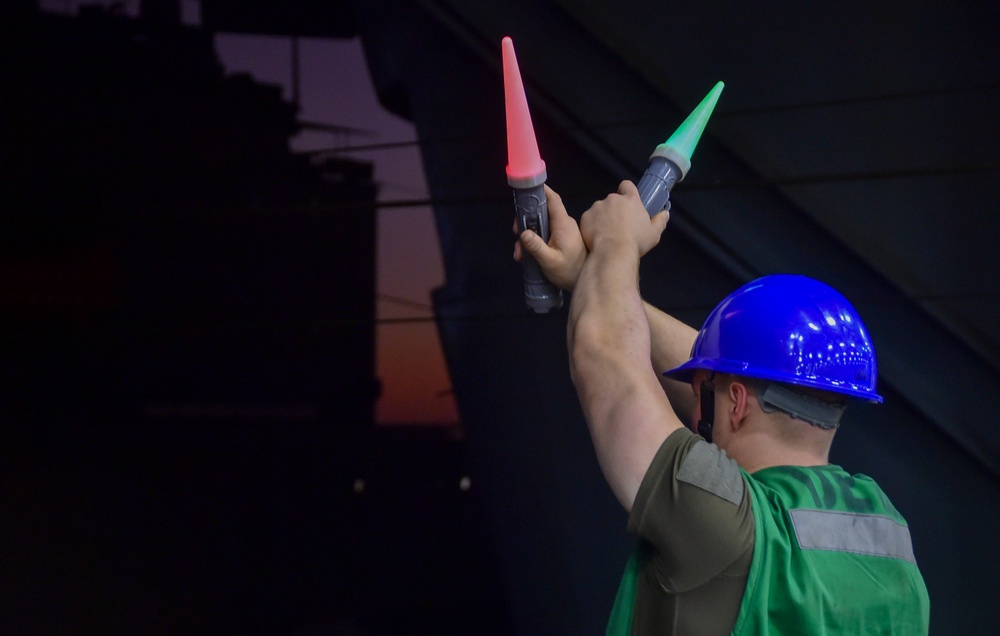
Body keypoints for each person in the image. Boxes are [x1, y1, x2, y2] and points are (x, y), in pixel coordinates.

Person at [514, 181, 930, 635]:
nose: (696, 412)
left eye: (702, 395)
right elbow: (732, 376)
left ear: (734, 404)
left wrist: (617, 242)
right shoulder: (886, 530)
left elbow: (606, 358)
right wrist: (590, 277)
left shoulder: (720, 519)